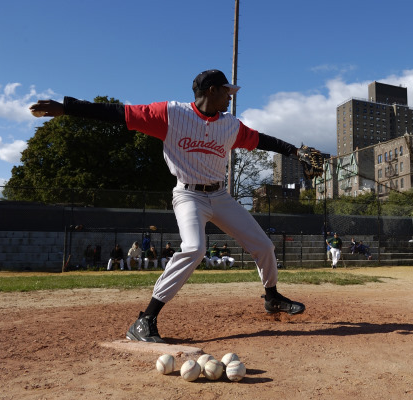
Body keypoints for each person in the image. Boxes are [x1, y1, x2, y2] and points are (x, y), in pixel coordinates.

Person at [30, 68, 309, 343]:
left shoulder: (230, 125)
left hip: (220, 196)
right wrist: (68, 108)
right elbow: (118, 113)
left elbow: (262, 140)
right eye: (227, 91)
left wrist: (295, 152)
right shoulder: (170, 114)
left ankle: (272, 297)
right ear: (211, 90)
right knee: (195, 248)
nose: (230, 97)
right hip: (189, 195)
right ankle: (145, 320)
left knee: (264, 245)